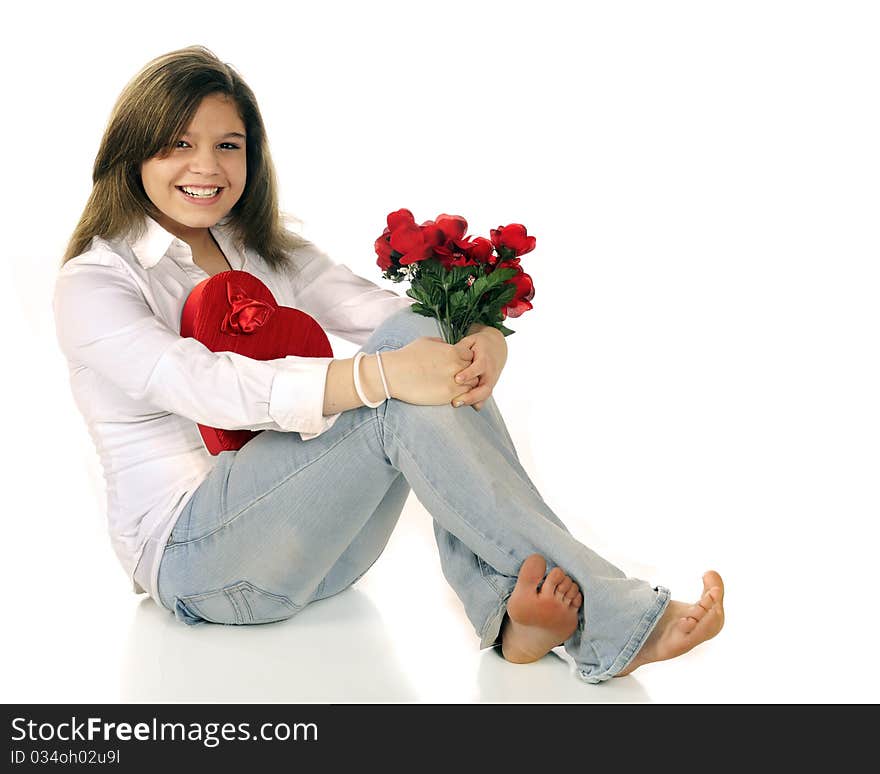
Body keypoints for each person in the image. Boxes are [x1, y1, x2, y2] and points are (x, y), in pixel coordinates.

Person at [53, 45, 724, 684]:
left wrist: (483, 336)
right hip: (198, 564)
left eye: (228, 145)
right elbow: (199, 384)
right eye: (179, 143)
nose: (207, 166)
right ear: (131, 151)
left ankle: (507, 618)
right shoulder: (95, 283)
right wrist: (380, 377)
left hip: (321, 555)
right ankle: (614, 620)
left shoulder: (263, 250)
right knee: (390, 392)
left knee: (416, 331)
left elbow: (392, 320)